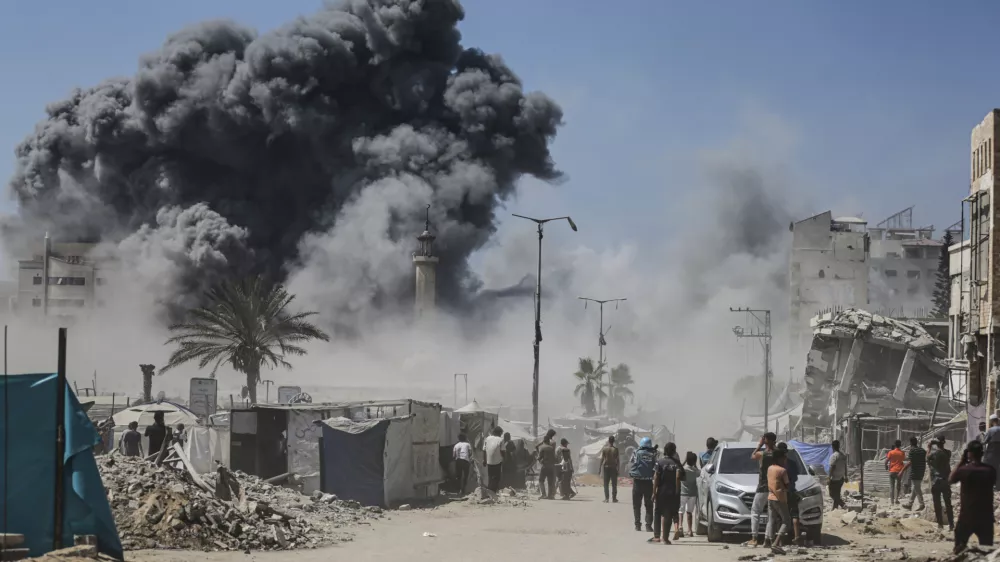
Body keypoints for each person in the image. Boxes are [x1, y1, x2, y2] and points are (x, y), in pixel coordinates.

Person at [949, 440, 997, 553]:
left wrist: (962, 461)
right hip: (986, 518)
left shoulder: (964, 470)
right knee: (987, 552)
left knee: (959, 549)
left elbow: (951, 479)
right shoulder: (990, 470)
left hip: (967, 516)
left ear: (969, 453)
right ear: (982, 453)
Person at [747, 432, 777, 547]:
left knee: (755, 511)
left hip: (763, 486)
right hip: (774, 487)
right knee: (771, 515)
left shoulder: (762, 454)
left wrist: (759, 445)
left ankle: (754, 538)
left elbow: (752, 456)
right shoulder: (777, 453)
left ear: (766, 441)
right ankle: (767, 540)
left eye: (764, 439)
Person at [649, 442, 681, 545]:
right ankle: (665, 538)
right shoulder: (677, 463)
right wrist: (677, 491)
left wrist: (654, 492)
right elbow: (679, 477)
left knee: (658, 512)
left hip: (661, 492)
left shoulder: (659, 462)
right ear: (674, 451)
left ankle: (657, 536)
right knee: (669, 515)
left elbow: (656, 478)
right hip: (673, 493)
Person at [766, 447, 792, 553]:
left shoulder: (770, 468)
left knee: (772, 520)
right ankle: (776, 543)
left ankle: (771, 542)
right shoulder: (782, 470)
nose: (785, 460)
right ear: (779, 459)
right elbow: (787, 484)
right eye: (783, 458)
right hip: (780, 498)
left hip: (770, 497)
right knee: (786, 521)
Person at [629, 436, 658, 532]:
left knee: (636, 505)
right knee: (649, 505)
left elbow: (631, 463)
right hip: (648, 482)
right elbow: (656, 466)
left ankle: (637, 525)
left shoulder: (636, 452)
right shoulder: (653, 453)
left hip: (637, 482)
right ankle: (648, 525)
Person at [776, 443, 802, 545]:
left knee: (780, 517)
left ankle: (780, 541)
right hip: (791, 491)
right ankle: (797, 537)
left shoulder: (776, 465)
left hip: (780, 493)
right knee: (794, 515)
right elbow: (795, 478)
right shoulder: (792, 463)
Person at [927, 438, 954, 531]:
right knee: (948, 503)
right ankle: (951, 525)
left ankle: (940, 525)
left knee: (937, 503)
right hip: (945, 481)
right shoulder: (948, 453)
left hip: (936, 481)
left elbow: (927, 459)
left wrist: (929, 447)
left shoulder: (933, 454)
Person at [676, 451, 699, 540]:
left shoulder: (683, 469)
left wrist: (685, 461)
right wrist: (695, 465)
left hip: (683, 493)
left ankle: (680, 526)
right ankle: (689, 530)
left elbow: (678, 468)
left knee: (681, 511)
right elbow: (699, 473)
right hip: (692, 494)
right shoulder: (695, 471)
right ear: (694, 461)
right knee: (689, 512)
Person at [902, 436, 926, 511]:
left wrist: (902, 470)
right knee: (915, 488)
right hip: (921, 471)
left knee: (916, 488)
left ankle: (921, 504)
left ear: (911, 443)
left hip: (915, 471)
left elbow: (910, 462)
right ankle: (910, 504)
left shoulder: (912, 451)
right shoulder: (922, 450)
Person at [536, 430, 557, 500]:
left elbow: (539, 455)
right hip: (551, 465)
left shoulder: (542, 446)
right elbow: (554, 457)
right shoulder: (552, 444)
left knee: (541, 480)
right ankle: (551, 495)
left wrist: (540, 460)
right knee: (550, 481)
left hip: (545, 465)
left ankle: (543, 494)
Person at [599, 436, 620, 503]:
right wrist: (618, 469)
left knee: (606, 484)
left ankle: (606, 498)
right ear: (613, 441)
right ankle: (614, 499)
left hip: (606, 467)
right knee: (614, 484)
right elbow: (618, 460)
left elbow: (602, 459)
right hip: (613, 467)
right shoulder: (616, 449)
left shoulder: (605, 449)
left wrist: (599, 468)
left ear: (608, 441)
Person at [828, 439, 848, 510]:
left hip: (834, 479)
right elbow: (845, 466)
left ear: (832, 447)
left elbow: (832, 467)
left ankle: (843, 505)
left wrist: (828, 478)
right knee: (837, 494)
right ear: (839, 446)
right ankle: (835, 509)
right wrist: (846, 476)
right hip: (841, 478)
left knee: (832, 494)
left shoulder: (834, 456)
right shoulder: (843, 456)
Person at [484, 426, 504, 493]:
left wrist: (484, 460)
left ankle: (489, 490)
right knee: (497, 478)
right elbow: (503, 451)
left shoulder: (487, 438)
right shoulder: (501, 440)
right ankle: (493, 492)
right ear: (500, 433)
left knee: (490, 477)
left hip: (489, 461)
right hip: (498, 461)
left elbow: (484, 450)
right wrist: (504, 459)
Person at [885, 440, 906, 505]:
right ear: (900, 445)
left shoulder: (891, 452)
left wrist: (886, 466)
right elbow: (902, 460)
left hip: (892, 471)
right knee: (898, 485)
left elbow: (886, 461)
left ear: (895, 444)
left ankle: (892, 502)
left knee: (892, 486)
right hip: (899, 471)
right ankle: (896, 499)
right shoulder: (902, 453)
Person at [983, 415, 1000, 490]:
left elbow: (985, 441)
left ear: (992, 421)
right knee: (997, 469)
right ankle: (998, 486)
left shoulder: (991, 430)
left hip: (991, 452)